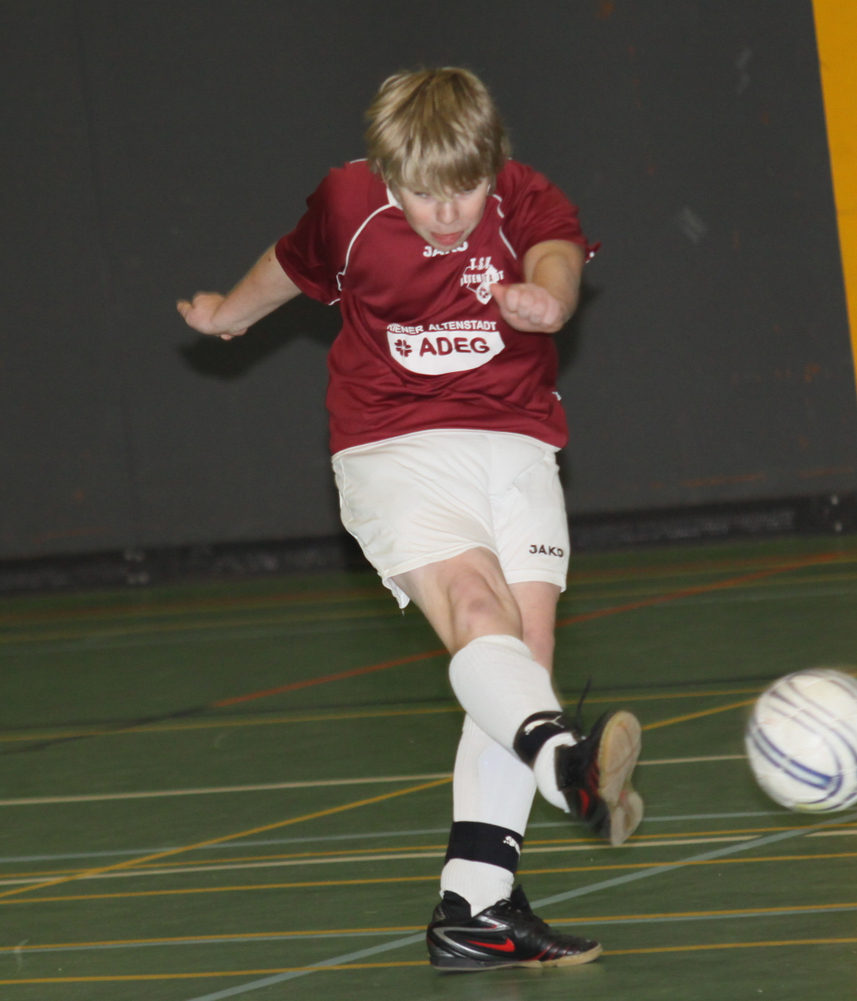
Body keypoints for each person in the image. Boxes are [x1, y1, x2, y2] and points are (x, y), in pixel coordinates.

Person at [178, 67, 642, 972]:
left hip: (516, 437)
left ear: (492, 165)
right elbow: (291, 264)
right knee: (476, 608)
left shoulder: (525, 196)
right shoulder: (347, 204)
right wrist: (228, 312)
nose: (447, 214)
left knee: (520, 661)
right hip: (392, 440)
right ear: (388, 175)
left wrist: (549, 299)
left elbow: (556, 255)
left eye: (464, 190)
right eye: (425, 195)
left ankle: (474, 909)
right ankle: (567, 768)